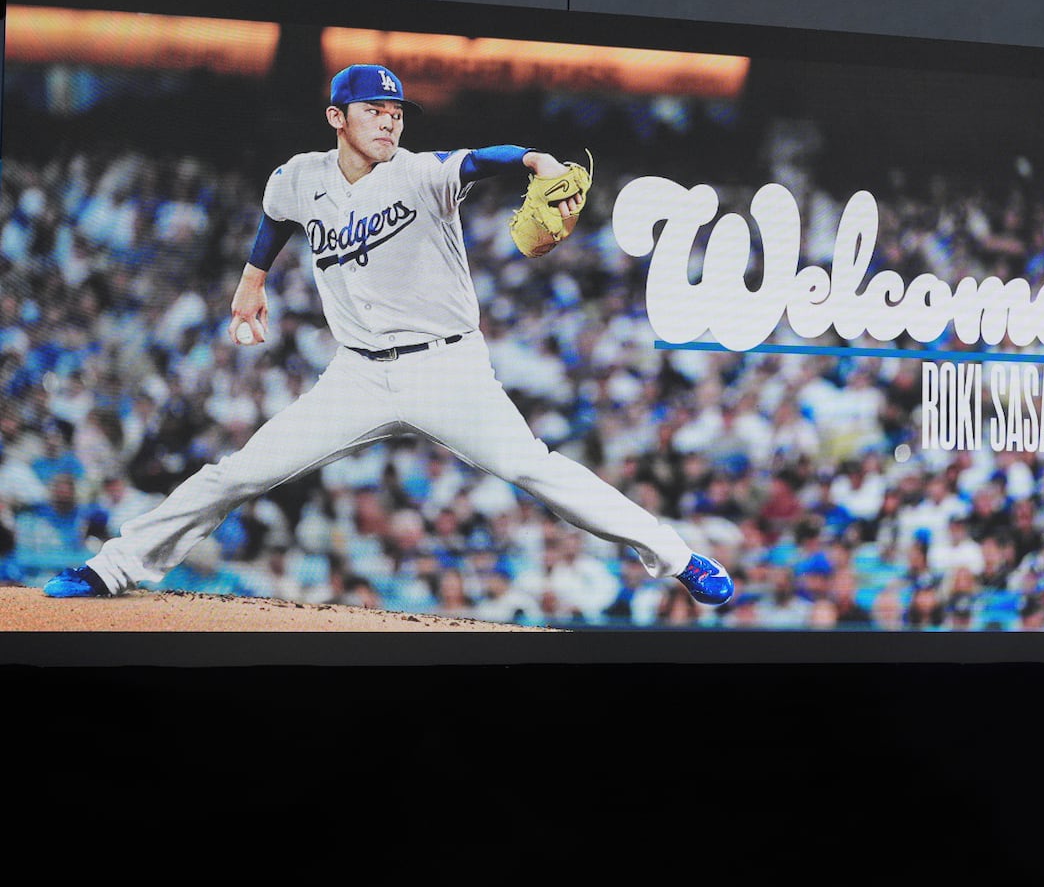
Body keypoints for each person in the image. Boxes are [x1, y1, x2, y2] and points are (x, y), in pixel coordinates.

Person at [43, 64, 733, 611]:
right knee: (241, 471)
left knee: (536, 469)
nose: (389, 121)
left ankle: (679, 558)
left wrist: (535, 158)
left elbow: (475, 161)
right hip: (357, 375)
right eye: (375, 110)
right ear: (337, 118)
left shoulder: (420, 173)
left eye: (397, 112)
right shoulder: (299, 177)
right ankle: (112, 566)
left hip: (449, 370)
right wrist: (253, 279)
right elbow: (275, 215)